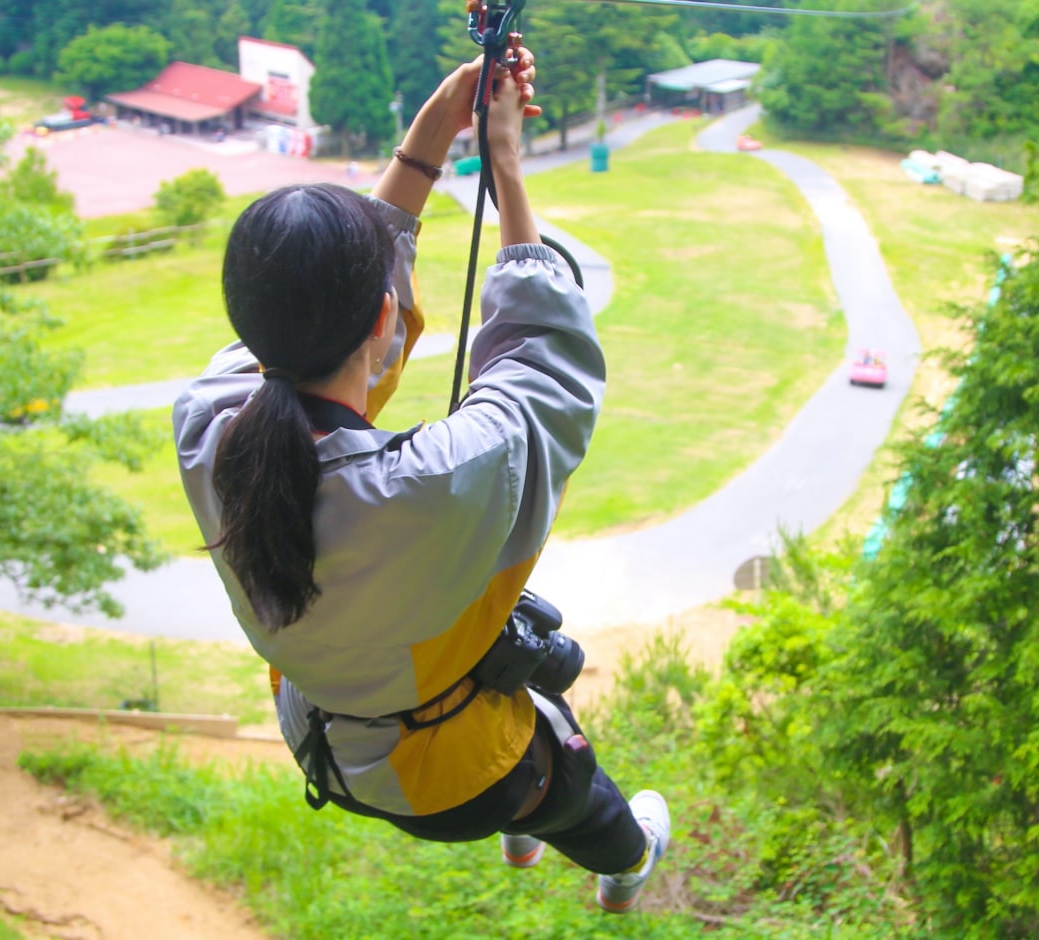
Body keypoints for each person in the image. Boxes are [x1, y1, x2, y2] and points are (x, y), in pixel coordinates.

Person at [171, 40, 672, 913]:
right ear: (381, 315)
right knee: (575, 781)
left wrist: (442, 125)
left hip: (320, 734)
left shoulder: (210, 428)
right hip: (446, 775)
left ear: (250, 329)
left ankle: (539, 822)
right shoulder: (425, 489)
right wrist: (505, 163)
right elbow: (543, 367)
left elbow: (335, 342)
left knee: (514, 711)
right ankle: (624, 866)